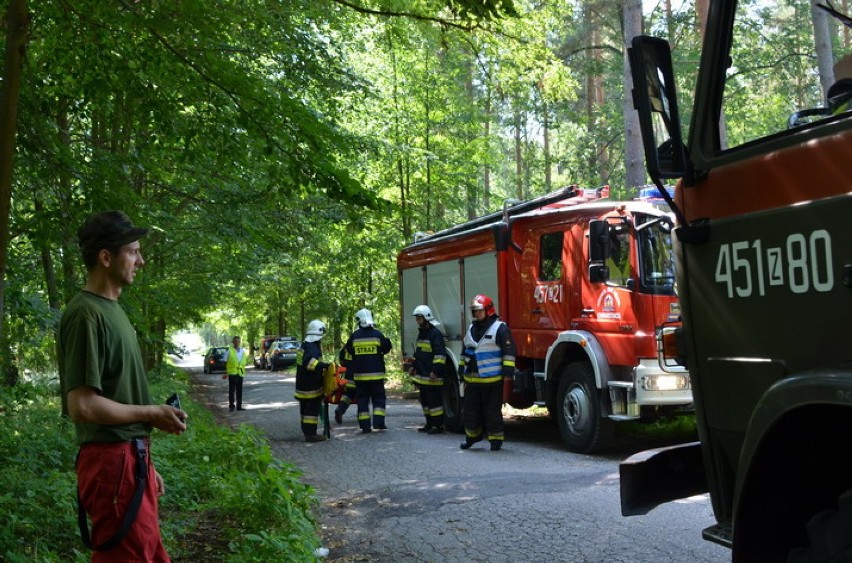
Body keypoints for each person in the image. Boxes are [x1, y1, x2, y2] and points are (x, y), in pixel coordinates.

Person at [58, 210, 187, 561]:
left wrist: (145, 463)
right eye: (132, 251)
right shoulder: (86, 313)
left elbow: (119, 395)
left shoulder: (114, 310)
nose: (141, 261)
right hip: (111, 463)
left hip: (130, 459)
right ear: (105, 257)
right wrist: (151, 413)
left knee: (149, 553)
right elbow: (82, 406)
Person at [458, 294, 516, 452]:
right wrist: (461, 369)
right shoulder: (471, 328)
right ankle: (472, 436)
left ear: (489, 310)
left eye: (479, 311)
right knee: (469, 412)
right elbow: (465, 351)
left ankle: (495, 440)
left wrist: (508, 371)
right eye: (474, 311)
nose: (476, 314)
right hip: (472, 381)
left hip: (492, 380)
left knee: (492, 412)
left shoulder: (500, 328)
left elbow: (509, 350)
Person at [344, 308, 392, 434]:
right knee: (379, 399)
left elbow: (349, 350)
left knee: (362, 400)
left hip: (360, 377)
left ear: (359, 321)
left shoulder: (354, 336)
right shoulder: (377, 335)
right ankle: (379, 423)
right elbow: (387, 348)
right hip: (376, 376)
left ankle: (365, 426)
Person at [406, 305, 447, 434]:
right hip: (423, 376)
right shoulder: (422, 334)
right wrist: (413, 367)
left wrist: (435, 371)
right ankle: (429, 424)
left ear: (426, 318)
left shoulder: (435, 334)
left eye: (419, 318)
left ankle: (438, 426)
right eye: (417, 318)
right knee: (425, 401)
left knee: (435, 403)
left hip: (432, 376)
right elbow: (418, 354)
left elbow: (440, 355)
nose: (417, 321)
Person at [295, 320, 330, 442]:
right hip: (310, 385)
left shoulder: (304, 345)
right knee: (311, 411)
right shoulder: (312, 347)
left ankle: (307, 432)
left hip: (302, 384)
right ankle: (311, 434)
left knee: (304, 411)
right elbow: (310, 364)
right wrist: (324, 366)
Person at [223, 335, 250, 411]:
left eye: (238, 341)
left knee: (239, 390)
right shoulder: (229, 350)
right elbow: (225, 361)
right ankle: (231, 406)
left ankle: (239, 406)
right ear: (233, 342)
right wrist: (225, 372)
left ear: (240, 342)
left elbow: (243, 361)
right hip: (232, 374)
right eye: (236, 341)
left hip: (240, 373)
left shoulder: (242, 351)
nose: (237, 342)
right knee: (232, 391)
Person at [333, 345, 356, 424]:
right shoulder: (366, 344)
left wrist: (348, 366)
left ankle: (340, 409)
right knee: (363, 395)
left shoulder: (347, 346)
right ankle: (363, 418)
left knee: (348, 394)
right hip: (361, 376)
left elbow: (341, 360)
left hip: (349, 377)